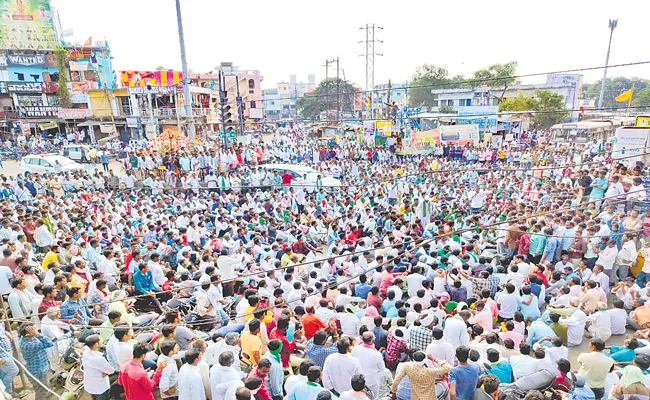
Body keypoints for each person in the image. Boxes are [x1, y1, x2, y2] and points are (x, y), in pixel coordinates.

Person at [18, 323, 54, 399]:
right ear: (28, 334)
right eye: (34, 329)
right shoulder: (26, 345)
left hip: (41, 369)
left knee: (43, 388)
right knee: (41, 391)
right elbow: (49, 343)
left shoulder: (31, 338)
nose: (36, 330)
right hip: (37, 372)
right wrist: (37, 334)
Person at [82, 334, 115, 400]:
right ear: (96, 345)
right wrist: (105, 372)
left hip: (90, 384)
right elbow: (111, 370)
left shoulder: (86, 352)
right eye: (101, 340)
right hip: (100, 387)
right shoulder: (98, 359)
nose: (102, 341)